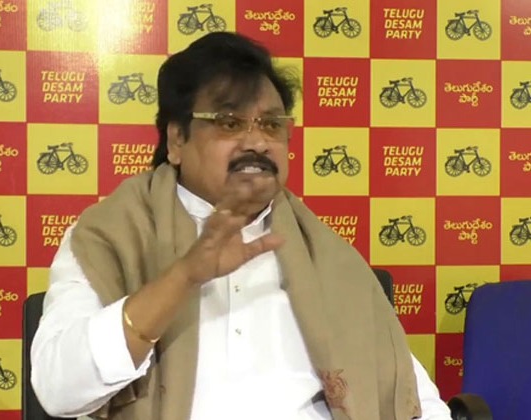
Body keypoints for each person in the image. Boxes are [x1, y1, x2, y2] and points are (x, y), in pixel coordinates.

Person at [30, 31, 453, 420]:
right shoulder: (111, 236)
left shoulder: (325, 254)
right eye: (230, 123)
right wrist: (183, 276)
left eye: (271, 124)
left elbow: (414, 398)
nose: (257, 142)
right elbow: (58, 390)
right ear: (176, 140)